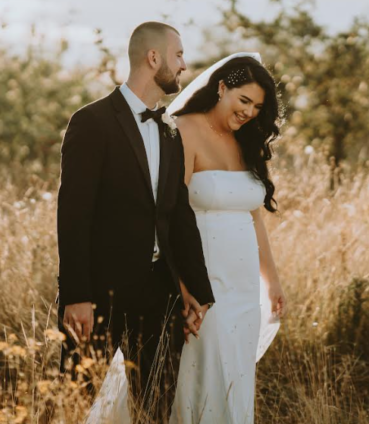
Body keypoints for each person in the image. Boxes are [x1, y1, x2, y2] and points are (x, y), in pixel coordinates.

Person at [86, 52, 285, 424]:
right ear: (222, 87)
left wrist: (270, 279)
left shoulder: (245, 141)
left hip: (243, 289)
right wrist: (183, 285)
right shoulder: (180, 130)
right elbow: (166, 216)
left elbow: (253, 215)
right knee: (200, 372)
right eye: (244, 101)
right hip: (201, 279)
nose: (249, 113)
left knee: (236, 376)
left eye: (258, 107)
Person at [56, 21, 215, 422]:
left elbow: (178, 213)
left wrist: (197, 289)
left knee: (155, 410)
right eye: (178, 55)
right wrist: (77, 295)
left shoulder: (170, 132)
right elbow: (73, 214)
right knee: (69, 405)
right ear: (153, 57)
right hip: (99, 298)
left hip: (159, 297)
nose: (184, 64)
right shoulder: (91, 122)